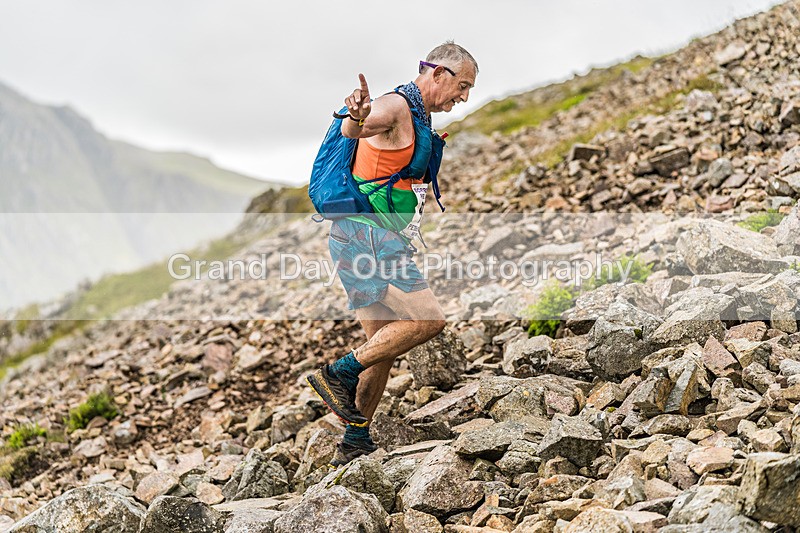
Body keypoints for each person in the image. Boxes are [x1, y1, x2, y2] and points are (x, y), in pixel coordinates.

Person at [307, 41, 478, 466]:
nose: (465, 97)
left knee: (380, 346)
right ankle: (337, 373)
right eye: (463, 85)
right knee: (427, 320)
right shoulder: (396, 107)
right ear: (438, 73)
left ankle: (354, 440)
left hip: (355, 236)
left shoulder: (417, 115)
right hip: (370, 239)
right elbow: (358, 127)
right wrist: (357, 116)